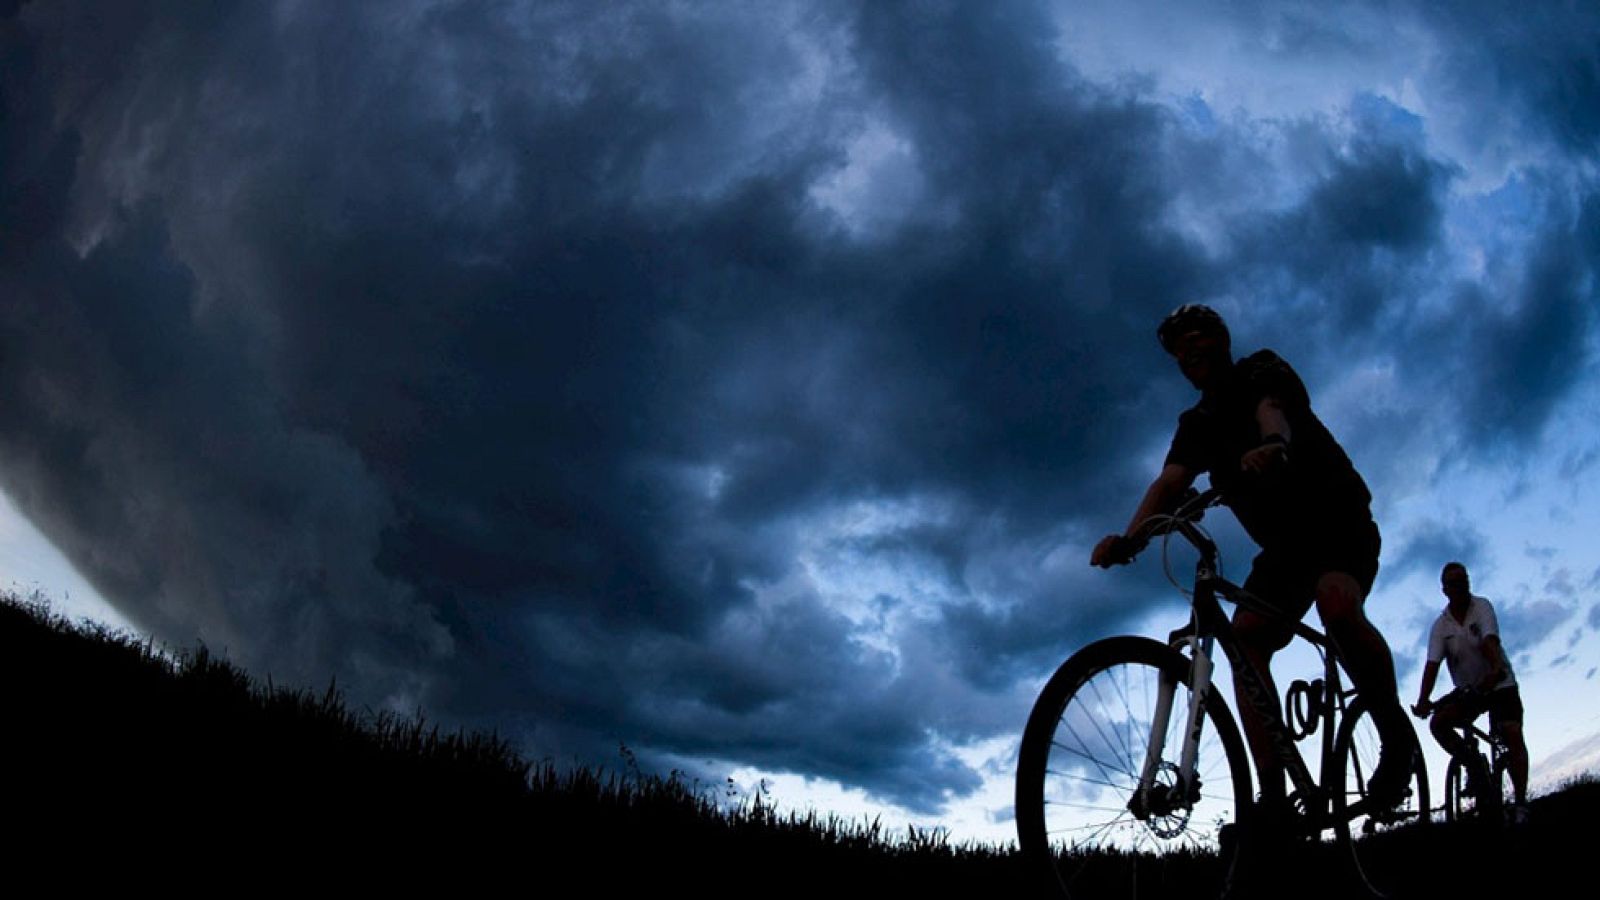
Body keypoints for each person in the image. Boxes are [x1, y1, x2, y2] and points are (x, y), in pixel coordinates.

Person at [1091, 304, 1416, 823]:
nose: (1187, 352)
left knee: (1336, 604)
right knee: (1244, 641)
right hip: (1285, 552)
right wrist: (1130, 540)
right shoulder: (1196, 424)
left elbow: (1273, 410)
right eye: (1178, 350)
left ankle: (1395, 738)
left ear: (1221, 340)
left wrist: (1273, 445)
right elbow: (1170, 482)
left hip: (1338, 522)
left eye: (1196, 338)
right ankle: (1273, 801)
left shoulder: (1261, 370)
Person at [1411, 561, 1530, 822]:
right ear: (1444, 590)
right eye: (1453, 583)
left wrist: (1495, 669)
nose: (1460, 586)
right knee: (1439, 724)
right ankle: (1474, 766)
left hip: (1499, 683)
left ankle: (1521, 803)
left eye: (1463, 580)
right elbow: (1432, 665)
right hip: (1470, 690)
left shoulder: (1482, 607)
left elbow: (1489, 641)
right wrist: (1423, 700)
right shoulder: (1440, 627)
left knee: (1511, 733)